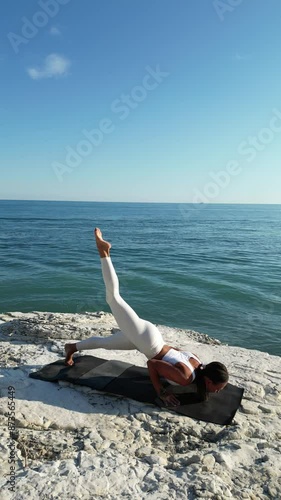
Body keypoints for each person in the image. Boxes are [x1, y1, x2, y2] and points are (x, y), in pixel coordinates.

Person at [65, 228, 229, 407]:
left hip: (151, 339)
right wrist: (161, 391)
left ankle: (71, 348)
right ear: (209, 381)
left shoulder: (197, 362)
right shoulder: (186, 378)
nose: (219, 391)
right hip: (147, 341)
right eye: (219, 388)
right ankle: (103, 252)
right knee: (113, 297)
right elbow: (152, 364)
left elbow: (174, 351)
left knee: (105, 343)